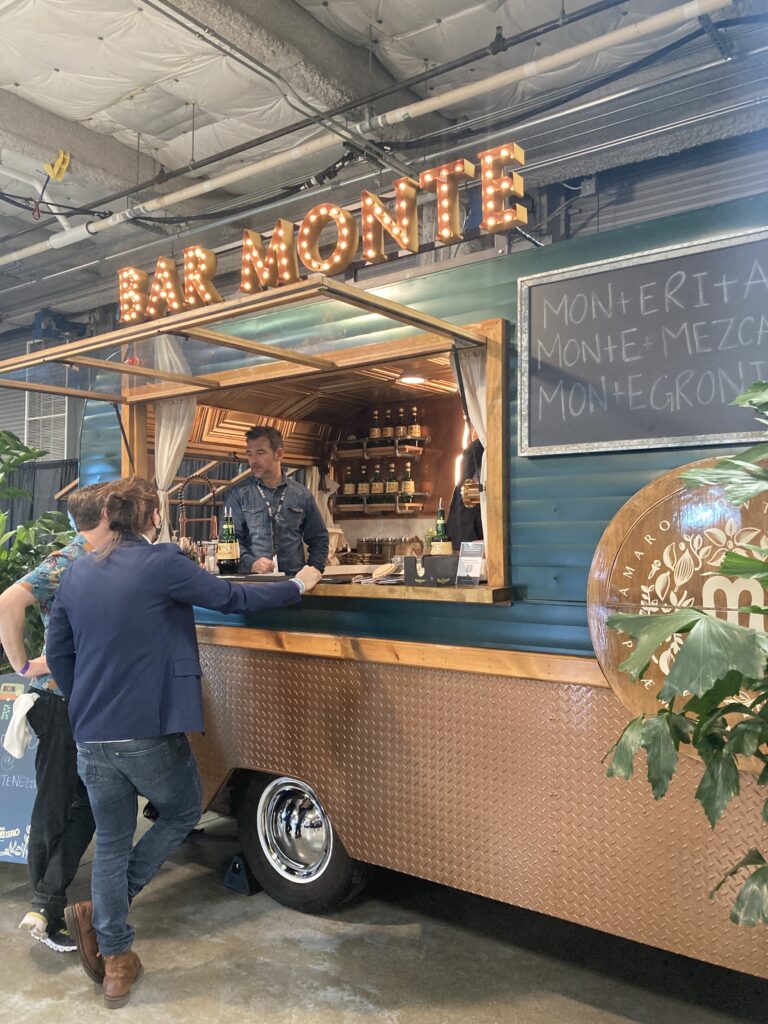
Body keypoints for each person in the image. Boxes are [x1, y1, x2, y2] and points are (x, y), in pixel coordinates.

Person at [46, 477, 321, 1009]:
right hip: (147, 731)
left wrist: (87, 703)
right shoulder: (163, 563)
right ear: (150, 516)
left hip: (92, 734)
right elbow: (234, 597)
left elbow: (59, 653)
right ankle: (108, 920)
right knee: (182, 810)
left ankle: (116, 958)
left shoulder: (77, 573)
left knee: (110, 839)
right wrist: (300, 583)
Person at [0, 482, 111, 952]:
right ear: (106, 513)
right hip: (59, 701)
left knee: (86, 803)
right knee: (57, 803)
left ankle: (46, 902)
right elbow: (9, 600)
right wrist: (25, 664)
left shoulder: (107, 560)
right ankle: (45, 906)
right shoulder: (69, 560)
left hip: (88, 699)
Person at [227, 425, 329, 575]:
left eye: (260, 453)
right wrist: (251, 564)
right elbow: (230, 541)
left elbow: (319, 539)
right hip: (253, 584)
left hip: (293, 585)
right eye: (249, 454)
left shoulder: (301, 494)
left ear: (279, 454)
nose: (253, 460)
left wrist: (313, 571)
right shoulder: (239, 494)